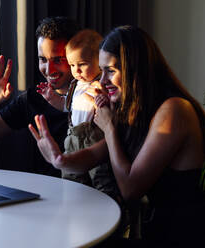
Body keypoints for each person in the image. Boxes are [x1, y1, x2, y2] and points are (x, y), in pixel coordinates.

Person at [28, 25, 205, 247]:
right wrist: (59, 159)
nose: (102, 80)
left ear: (137, 69)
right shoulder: (135, 111)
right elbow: (94, 155)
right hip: (161, 231)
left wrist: (110, 129)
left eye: (111, 71)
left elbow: (131, 189)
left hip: (191, 236)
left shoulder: (174, 110)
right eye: (102, 70)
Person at [0, 16, 80, 177]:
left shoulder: (91, 98)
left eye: (58, 59)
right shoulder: (33, 98)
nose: (49, 69)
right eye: (43, 59)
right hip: (43, 194)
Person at [36, 29, 121, 201]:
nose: (77, 71)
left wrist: (104, 100)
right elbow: (66, 106)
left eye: (82, 64)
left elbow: (113, 109)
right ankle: (72, 204)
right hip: (73, 137)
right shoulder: (75, 85)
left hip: (94, 137)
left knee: (101, 177)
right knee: (70, 179)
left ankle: (108, 205)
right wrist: (52, 98)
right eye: (72, 65)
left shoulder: (102, 83)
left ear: (99, 61)